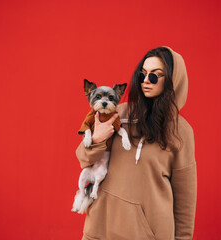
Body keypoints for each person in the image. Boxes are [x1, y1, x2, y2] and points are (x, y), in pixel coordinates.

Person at [75, 46, 197, 240]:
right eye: (143, 74)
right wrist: (97, 139)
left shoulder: (181, 132)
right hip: (102, 227)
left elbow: (185, 201)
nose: (147, 81)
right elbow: (83, 158)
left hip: (148, 235)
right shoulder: (119, 113)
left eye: (155, 76)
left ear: (173, 80)